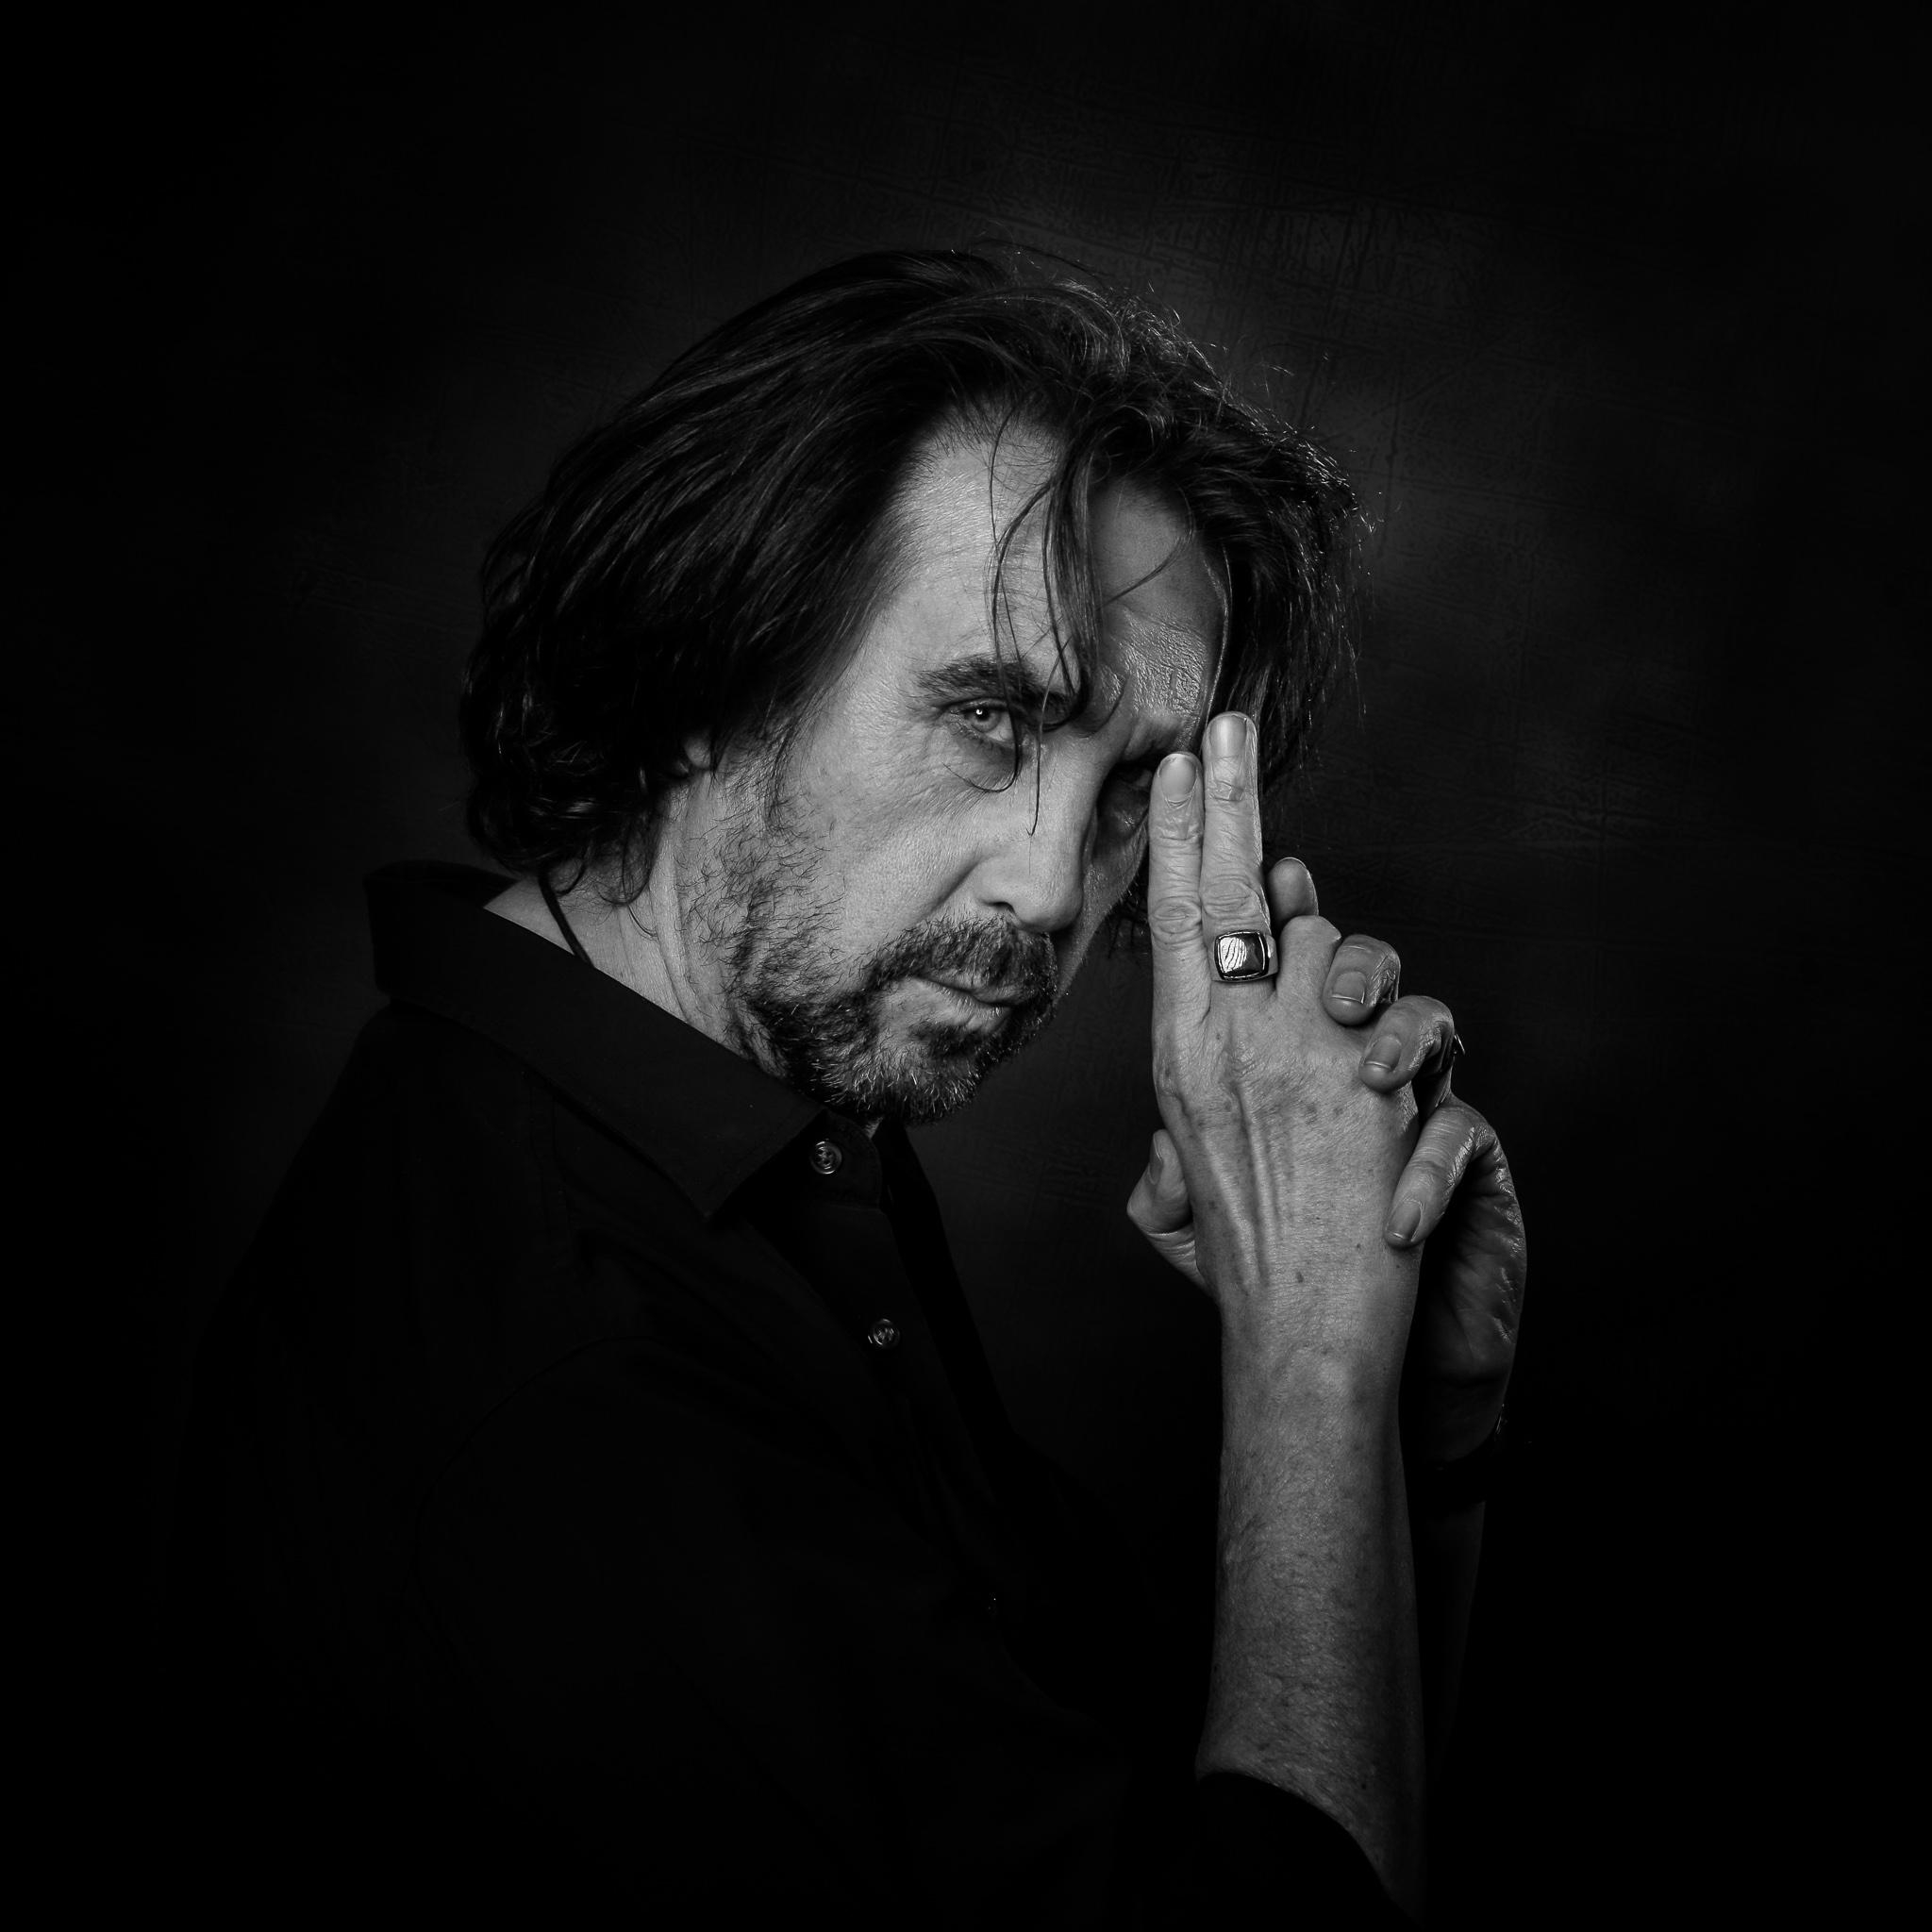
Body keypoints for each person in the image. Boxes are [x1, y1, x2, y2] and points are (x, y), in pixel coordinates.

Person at [170, 248, 1525, 1924]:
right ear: (701, 668)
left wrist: (1407, 1430)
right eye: (992, 718)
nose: (1052, 886)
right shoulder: (571, 1378)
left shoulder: (753, 1134)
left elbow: (1230, 1830)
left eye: (1132, 792)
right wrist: (1309, 1351)